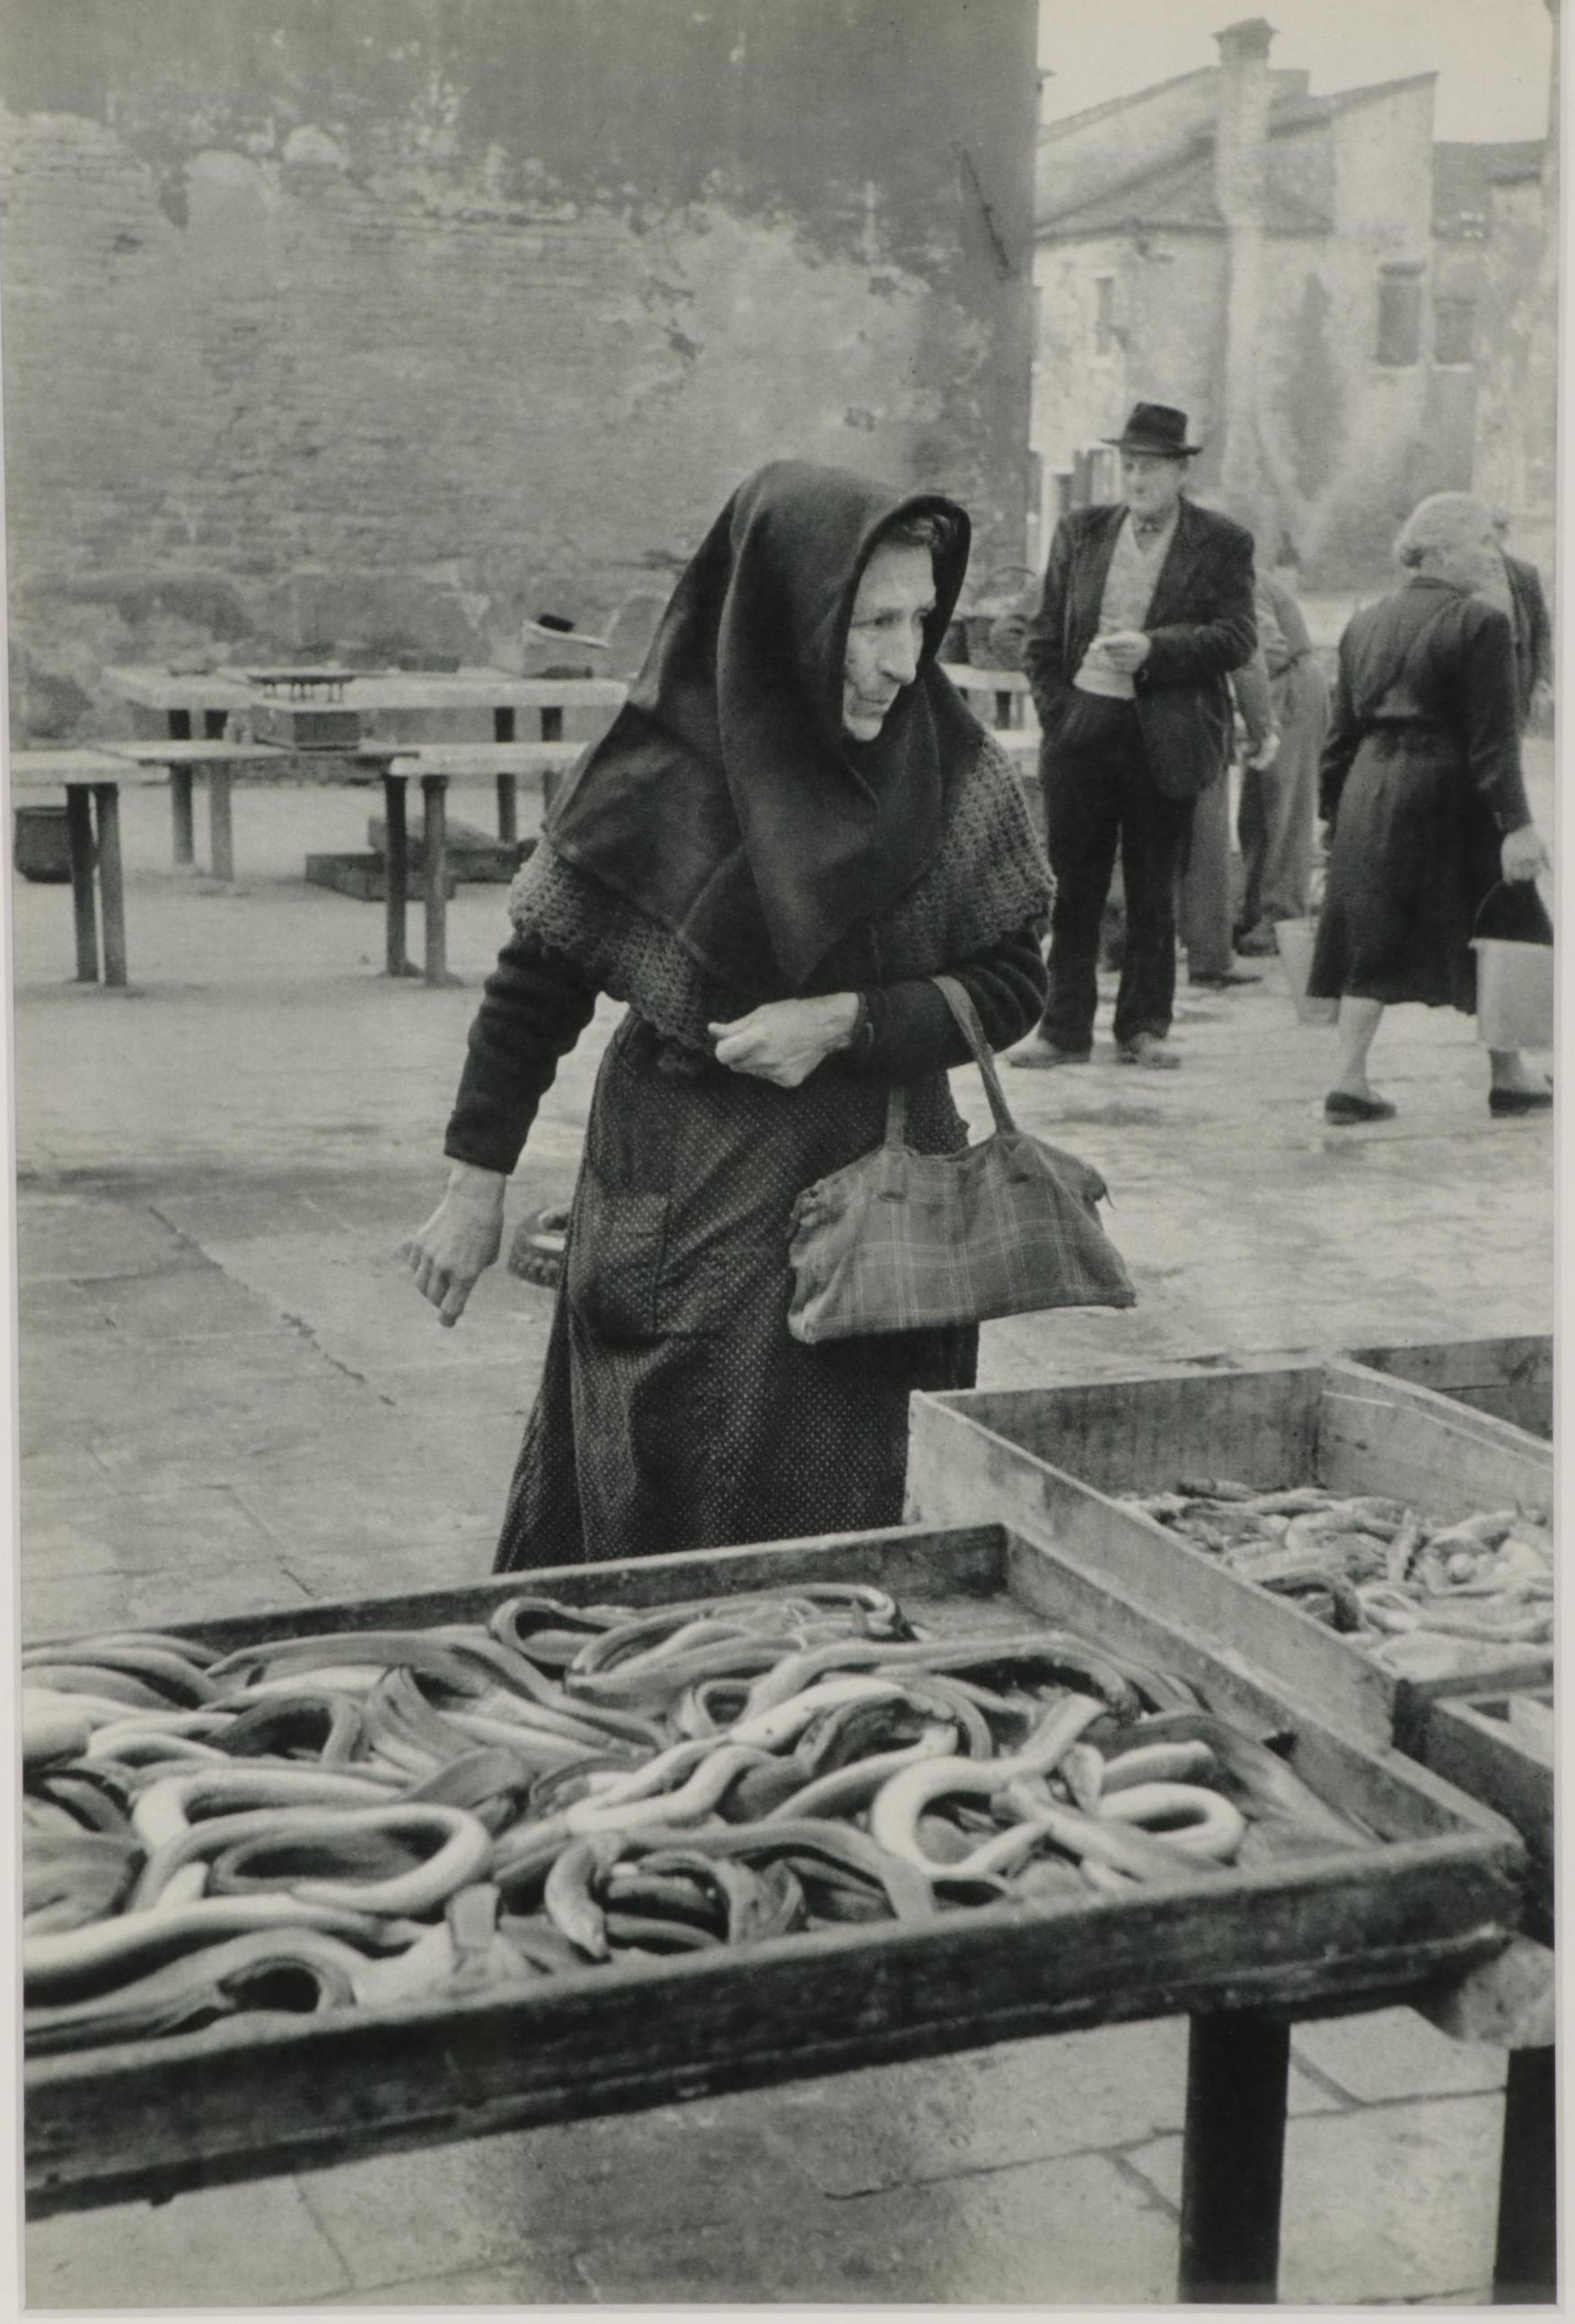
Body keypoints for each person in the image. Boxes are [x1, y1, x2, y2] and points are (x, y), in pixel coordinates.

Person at [399, 461, 1051, 1566]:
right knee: (661, 1506)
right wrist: (473, 1188)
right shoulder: (655, 772)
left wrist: (846, 1020)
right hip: (688, 1202)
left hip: (880, 1208)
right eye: (871, 621)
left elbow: (1011, 982)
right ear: (786, 615)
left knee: (861, 1514)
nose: (903, 659)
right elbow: (532, 987)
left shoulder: (954, 772)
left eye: (920, 619)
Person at [1009, 402, 1256, 1072]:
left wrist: (1155, 647)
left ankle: (1144, 1026)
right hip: (1084, 731)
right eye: (1129, 463)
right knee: (1074, 885)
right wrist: (1061, 716)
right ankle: (1062, 1029)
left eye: (1150, 465)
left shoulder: (1221, 542)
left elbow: (1237, 638)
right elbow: (1039, 636)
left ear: (1180, 472)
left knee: (1152, 888)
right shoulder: (1082, 532)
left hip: (1165, 737)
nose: (1136, 476)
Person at [1307, 491, 1552, 1125]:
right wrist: (1518, 826)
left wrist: (1333, 818)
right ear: (1442, 551)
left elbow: (1338, 740)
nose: (1492, 556)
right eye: (1480, 544)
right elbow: (1494, 744)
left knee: (1370, 931)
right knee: (1503, 918)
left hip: (1371, 791)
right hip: (1450, 797)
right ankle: (1510, 1070)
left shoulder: (1365, 622)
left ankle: (1349, 1078)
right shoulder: (1482, 624)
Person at [1235, 568, 1329, 953]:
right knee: (1255, 811)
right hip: (1271, 691)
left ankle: (1283, 918)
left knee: (1284, 810)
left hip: (1290, 690)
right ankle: (1255, 908)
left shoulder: (1236, 580)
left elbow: (1268, 650)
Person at [1490, 512, 1553, 733]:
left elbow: (1541, 629)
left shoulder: (1524, 574)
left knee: (1509, 744)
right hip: (1471, 673)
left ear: (1505, 534)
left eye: (1497, 528)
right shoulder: (1460, 573)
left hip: (1515, 672)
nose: (1490, 535)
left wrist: (1542, 679)